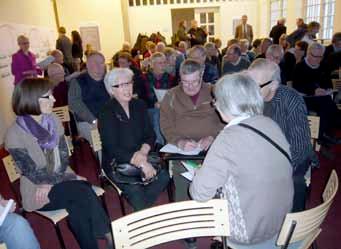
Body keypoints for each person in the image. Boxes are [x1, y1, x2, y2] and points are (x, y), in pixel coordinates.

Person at [5, 78, 113, 249]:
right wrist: (54, 181)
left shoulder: (52, 119)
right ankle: (109, 235)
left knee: (78, 201)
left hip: (57, 180)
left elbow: (63, 155)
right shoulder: (14, 134)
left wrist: (56, 179)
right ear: (32, 100)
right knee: (82, 190)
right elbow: (30, 171)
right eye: (48, 96)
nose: (54, 100)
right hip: (37, 191)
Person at [190, 72, 293, 248]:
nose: (215, 106)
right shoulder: (271, 124)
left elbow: (199, 194)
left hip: (249, 234)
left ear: (225, 104)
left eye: (216, 101)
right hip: (283, 224)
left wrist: (199, 172)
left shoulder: (228, 138)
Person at [160, 59, 223, 249]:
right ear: (180, 78)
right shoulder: (171, 95)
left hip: (212, 147)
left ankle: (219, 227)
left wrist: (212, 136)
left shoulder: (214, 91)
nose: (189, 86)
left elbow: (225, 118)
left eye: (194, 82)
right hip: (183, 150)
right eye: (185, 82)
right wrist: (178, 141)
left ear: (201, 76)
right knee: (183, 181)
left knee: (220, 181)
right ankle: (187, 226)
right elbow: (165, 124)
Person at [98, 68, 170, 211]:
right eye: (121, 85)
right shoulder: (106, 112)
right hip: (118, 162)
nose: (127, 89)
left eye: (129, 83)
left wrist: (143, 154)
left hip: (141, 155)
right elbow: (112, 148)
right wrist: (142, 164)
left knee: (164, 177)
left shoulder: (139, 105)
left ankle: (143, 210)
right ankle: (144, 219)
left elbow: (150, 135)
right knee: (136, 192)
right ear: (111, 90)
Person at [248, 58, 314, 212]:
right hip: (260, 155)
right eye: (248, 84)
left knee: (295, 182)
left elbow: (300, 146)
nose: (250, 91)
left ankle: (294, 227)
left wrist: (275, 169)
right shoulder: (250, 99)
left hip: (291, 157)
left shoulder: (291, 99)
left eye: (255, 86)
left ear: (274, 85)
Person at [292, 42, 341, 150]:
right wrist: (314, 90)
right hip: (304, 98)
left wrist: (325, 89)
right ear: (308, 53)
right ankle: (323, 135)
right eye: (315, 56)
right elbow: (297, 86)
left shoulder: (323, 65)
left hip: (321, 97)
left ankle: (325, 134)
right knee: (326, 104)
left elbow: (327, 82)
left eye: (320, 56)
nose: (318, 59)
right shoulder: (300, 66)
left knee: (327, 102)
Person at [68, 51, 110, 144]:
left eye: (102, 63)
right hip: (88, 122)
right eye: (96, 63)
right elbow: (74, 104)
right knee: (101, 142)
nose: (100, 66)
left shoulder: (108, 79)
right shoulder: (78, 82)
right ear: (88, 65)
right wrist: (93, 120)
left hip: (109, 120)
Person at [140, 52, 177, 146]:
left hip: (169, 107)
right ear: (152, 65)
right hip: (150, 108)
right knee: (157, 113)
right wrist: (153, 104)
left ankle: (167, 142)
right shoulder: (143, 78)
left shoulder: (171, 78)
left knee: (161, 113)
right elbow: (141, 98)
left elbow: (176, 95)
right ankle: (159, 143)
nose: (163, 65)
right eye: (160, 63)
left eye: (164, 62)